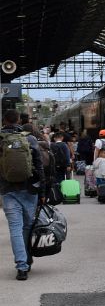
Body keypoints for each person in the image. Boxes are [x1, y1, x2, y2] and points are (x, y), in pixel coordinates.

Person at [1, 110, 45, 281]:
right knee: (27, 226)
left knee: (15, 228)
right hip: (30, 189)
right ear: (19, 120)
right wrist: (42, 190)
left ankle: (21, 266)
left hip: (7, 190)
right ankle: (26, 258)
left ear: (3, 120)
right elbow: (39, 166)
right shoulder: (30, 138)